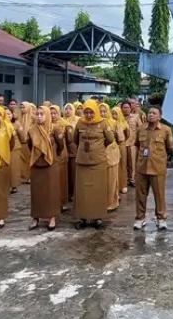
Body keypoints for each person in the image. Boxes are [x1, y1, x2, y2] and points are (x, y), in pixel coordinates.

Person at [71, 99, 115, 229]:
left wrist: (98, 148)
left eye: (91, 112)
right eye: (86, 112)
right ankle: (83, 217)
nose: (89, 115)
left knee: (98, 190)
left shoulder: (103, 123)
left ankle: (97, 218)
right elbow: (75, 139)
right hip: (82, 161)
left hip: (98, 162)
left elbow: (110, 139)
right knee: (82, 191)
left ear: (95, 111)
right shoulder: (80, 122)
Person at [134, 106, 173, 231]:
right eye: (149, 112)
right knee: (140, 195)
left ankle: (161, 218)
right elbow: (137, 144)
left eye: (154, 113)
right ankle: (140, 218)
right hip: (142, 167)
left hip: (157, 167)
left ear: (160, 116)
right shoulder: (141, 129)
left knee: (159, 195)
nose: (151, 115)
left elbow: (170, 148)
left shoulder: (166, 130)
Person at [26, 104, 64, 231]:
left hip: (50, 165)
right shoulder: (31, 130)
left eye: (42, 114)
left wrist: (53, 155)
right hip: (37, 164)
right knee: (37, 193)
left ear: (47, 115)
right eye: (37, 114)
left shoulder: (54, 129)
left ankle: (52, 217)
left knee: (51, 192)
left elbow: (60, 146)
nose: (39, 117)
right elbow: (30, 146)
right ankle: (35, 217)